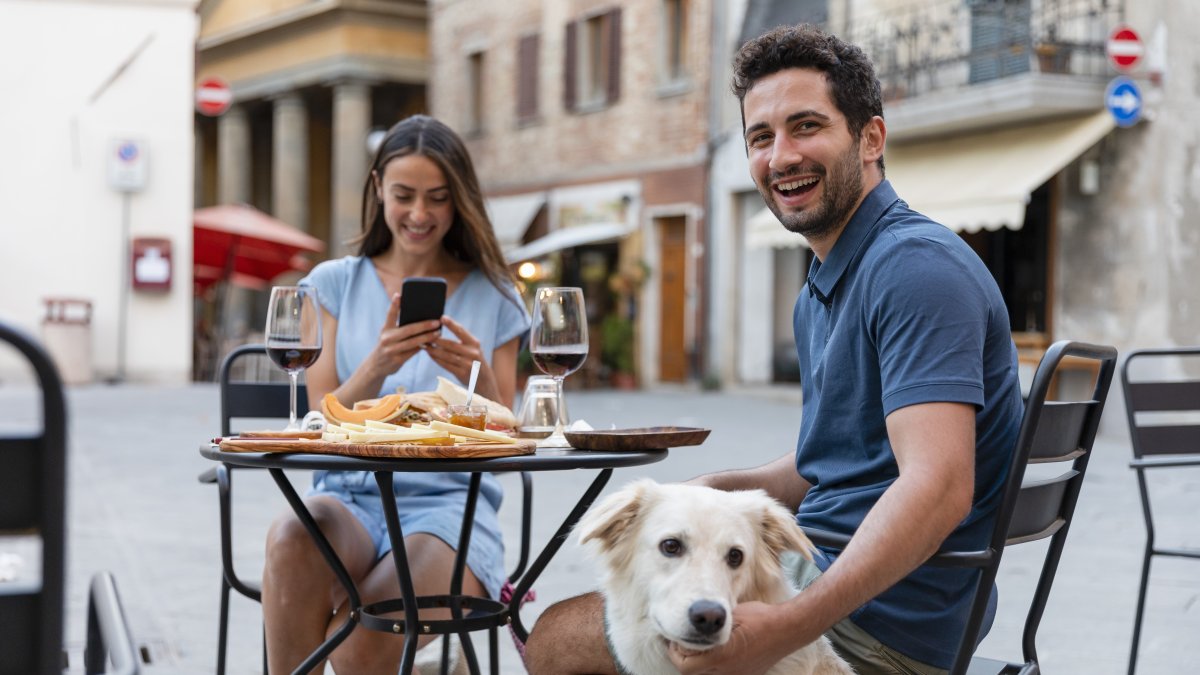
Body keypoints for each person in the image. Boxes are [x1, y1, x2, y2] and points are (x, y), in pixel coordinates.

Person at [523, 24, 1022, 675]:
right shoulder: (830, 279)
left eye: (806, 126)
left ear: (871, 138)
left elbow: (940, 484)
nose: (781, 155)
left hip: (881, 626)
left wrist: (784, 628)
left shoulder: (913, 269)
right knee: (634, 597)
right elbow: (832, 464)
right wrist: (716, 490)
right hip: (832, 580)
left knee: (558, 638)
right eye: (761, 137)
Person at [261, 114, 531, 674]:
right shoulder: (333, 283)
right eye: (404, 194)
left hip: (449, 508)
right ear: (378, 187)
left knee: (359, 645)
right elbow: (320, 417)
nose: (419, 214)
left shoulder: (496, 294)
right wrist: (379, 365)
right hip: (350, 497)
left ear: (459, 200)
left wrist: (478, 375)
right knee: (292, 532)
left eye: (437, 198)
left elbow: (509, 435)